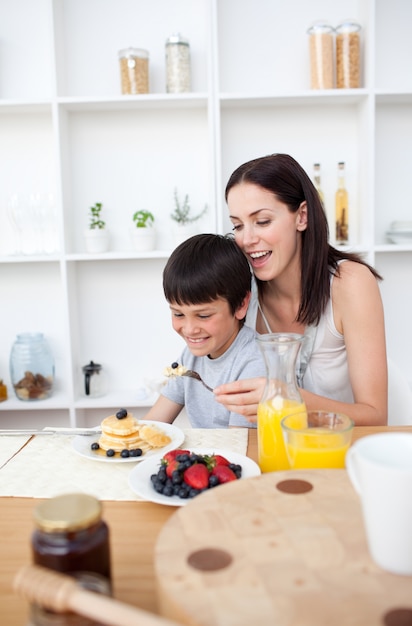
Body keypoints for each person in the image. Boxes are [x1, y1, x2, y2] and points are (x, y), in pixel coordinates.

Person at [214, 153, 387, 426]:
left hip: (335, 457)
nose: (246, 239)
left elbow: (375, 417)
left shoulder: (350, 284)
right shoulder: (244, 296)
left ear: (302, 217)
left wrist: (286, 397)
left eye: (262, 221)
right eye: (237, 225)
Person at [143, 233, 266, 428]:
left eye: (203, 316)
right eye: (178, 314)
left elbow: (238, 448)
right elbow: (151, 426)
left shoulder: (254, 361)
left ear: (241, 305)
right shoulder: (190, 358)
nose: (190, 330)